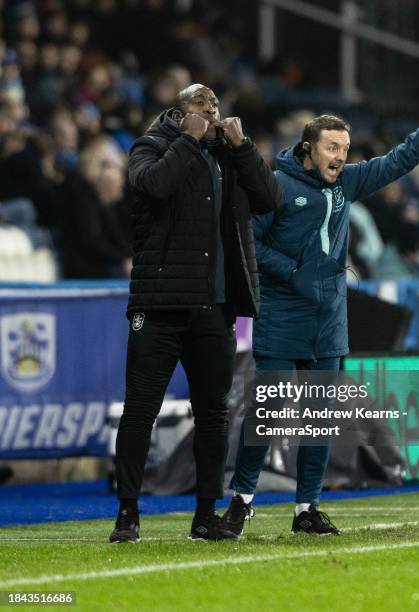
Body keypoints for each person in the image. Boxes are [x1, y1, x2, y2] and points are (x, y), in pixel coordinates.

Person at [222, 78, 419, 536]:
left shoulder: (347, 183)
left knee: (318, 420)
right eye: (332, 147)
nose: (340, 156)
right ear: (309, 150)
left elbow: (401, 160)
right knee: (265, 411)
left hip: (328, 320)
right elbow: (249, 243)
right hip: (282, 313)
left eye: (346, 147)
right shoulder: (274, 185)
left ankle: (306, 509)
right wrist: (296, 273)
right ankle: (242, 500)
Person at [109, 84, 281, 542]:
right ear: (178, 113)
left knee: (212, 415)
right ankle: (128, 513)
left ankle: (206, 515)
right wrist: (187, 139)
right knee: (139, 410)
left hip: (215, 308)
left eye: (215, 105)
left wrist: (243, 147)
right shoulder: (150, 146)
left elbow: (269, 199)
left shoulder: (229, 156)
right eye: (201, 105)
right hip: (159, 306)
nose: (212, 110)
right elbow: (153, 186)